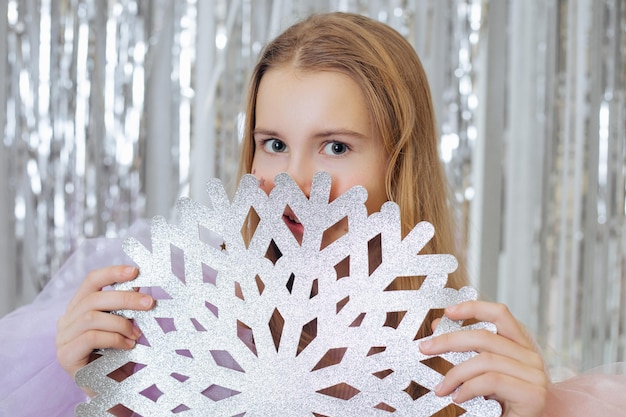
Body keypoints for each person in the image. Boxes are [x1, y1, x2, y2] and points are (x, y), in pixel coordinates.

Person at [1, 11, 623, 417]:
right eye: (274, 144)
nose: (296, 181)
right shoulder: (170, 319)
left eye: (336, 146)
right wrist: (97, 384)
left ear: (398, 163)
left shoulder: (467, 364)